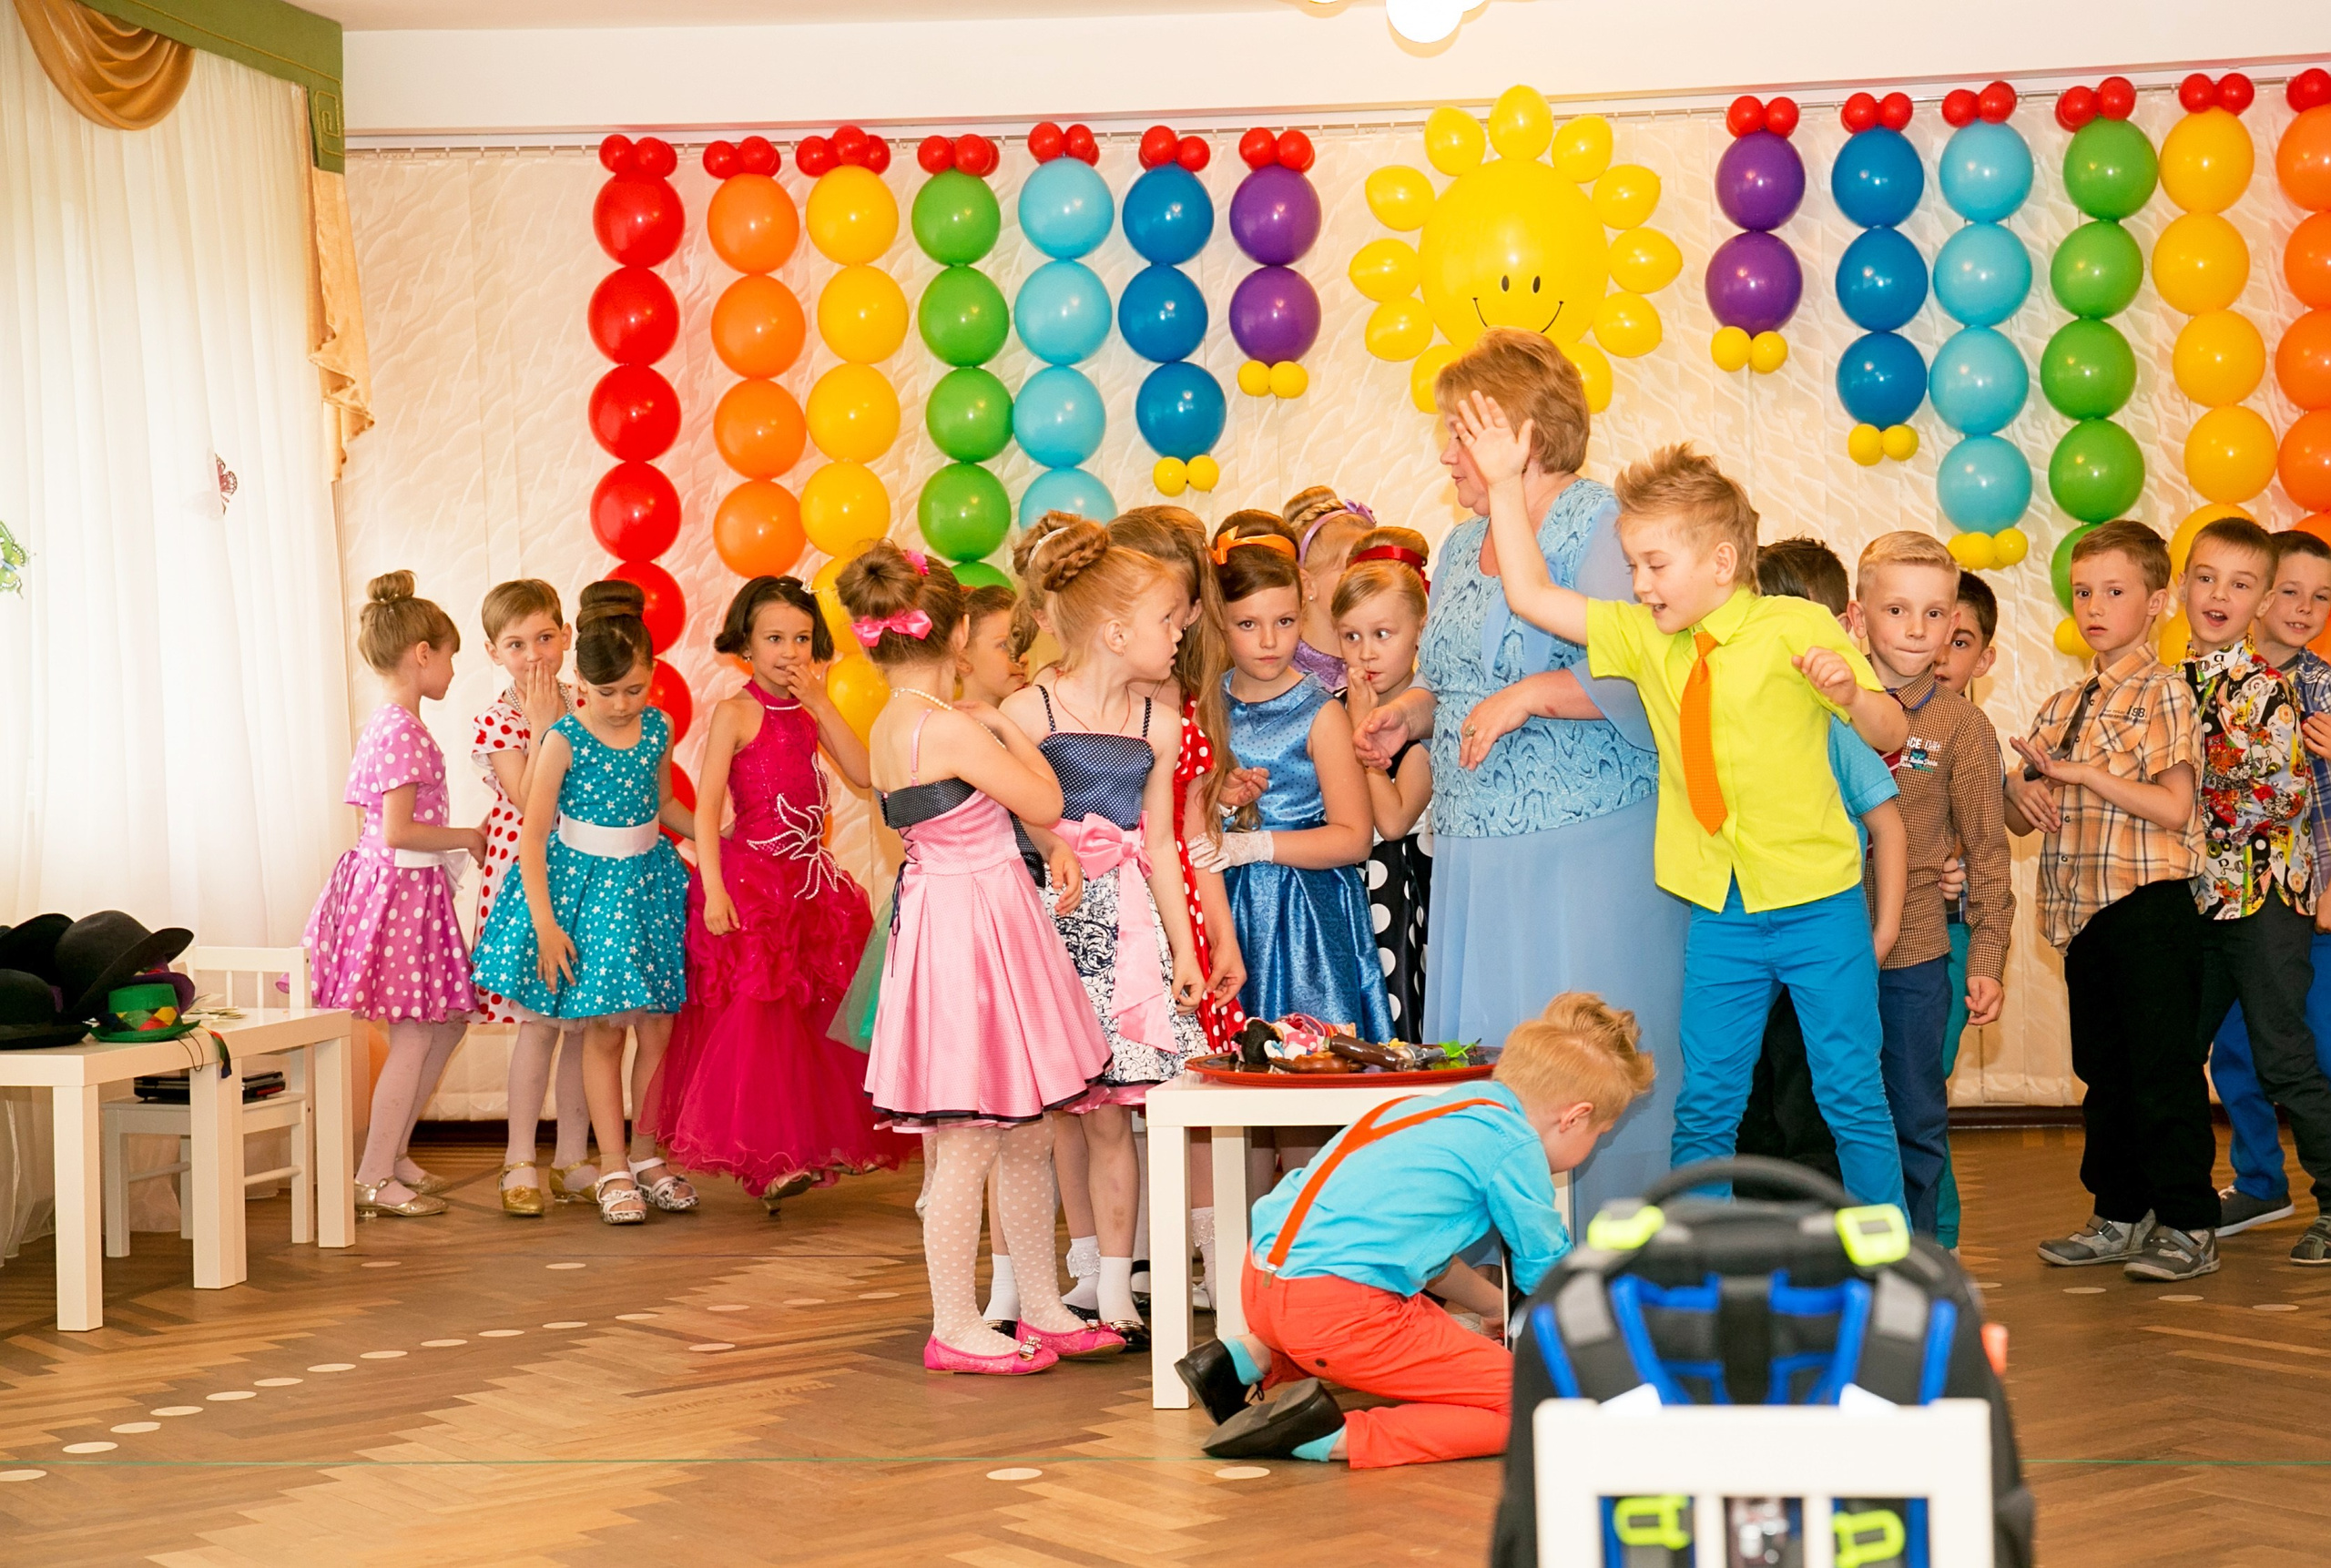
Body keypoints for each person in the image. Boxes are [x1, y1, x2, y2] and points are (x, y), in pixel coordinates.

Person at [1453, 399, 1910, 1208]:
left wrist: (1849, 691)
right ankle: (1700, 1265)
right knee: (1706, 1106)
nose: (1639, 583)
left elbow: (1889, 724)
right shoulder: (1643, 636)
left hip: (1817, 902)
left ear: (1722, 560)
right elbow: (1529, 593)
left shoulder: (1792, 625)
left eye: (1656, 564)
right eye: (1633, 564)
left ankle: (1890, 1265)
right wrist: (1498, 482)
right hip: (1721, 909)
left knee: (1851, 1096)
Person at [1351, 329, 1685, 1220]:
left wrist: (1535, 694)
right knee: (1492, 1068)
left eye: (1459, 434)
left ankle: (1617, 1271)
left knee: (1582, 1070)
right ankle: (1507, 1279)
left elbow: (1644, 678)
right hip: (1474, 854)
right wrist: (1409, 715)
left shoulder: (1606, 526)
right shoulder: (1461, 546)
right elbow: (1460, 680)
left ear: (1520, 437)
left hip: (1585, 850)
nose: (1444, 456)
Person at [838, 540, 1123, 1375]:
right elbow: (1046, 798)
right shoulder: (950, 726)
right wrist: (1002, 722)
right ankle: (954, 1322)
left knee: (1025, 1132)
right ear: (956, 635)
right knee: (969, 1137)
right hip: (972, 935)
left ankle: (1038, 1304)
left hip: (965, 921)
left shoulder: (891, 723)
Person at [1177, 992, 1654, 1467]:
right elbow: (1550, 1275)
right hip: (1334, 1310)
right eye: (1600, 1134)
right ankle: (1327, 1436)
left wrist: (1493, 1307)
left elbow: (1422, 1259)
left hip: (1265, 1287)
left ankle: (1243, 1359)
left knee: (1370, 1322)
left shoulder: (1436, 1109)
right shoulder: (1514, 1145)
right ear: (1576, 1118)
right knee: (1534, 1402)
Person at [1003, 514, 1206, 1348]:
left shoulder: (1160, 722)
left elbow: (1160, 844)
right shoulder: (1028, 708)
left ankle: (1119, 1287)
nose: (1179, 633)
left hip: (1127, 935)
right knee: (1045, 1117)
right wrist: (1052, 844)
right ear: (1117, 631)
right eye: (1167, 620)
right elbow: (1008, 823)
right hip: (1049, 930)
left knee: (1120, 1115)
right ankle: (1051, 1274)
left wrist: (1185, 955)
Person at [660, 575, 915, 1214]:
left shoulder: (808, 710)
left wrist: (825, 704)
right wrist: (713, 889)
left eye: (801, 639)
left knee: (813, 1022)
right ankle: (764, 1165)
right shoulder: (734, 712)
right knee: (758, 1025)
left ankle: (809, 1147)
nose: (789, 651)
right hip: (751, 885)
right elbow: (709, 805)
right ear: (746, 642)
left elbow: (862, 775)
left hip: (811, 885)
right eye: (774, 638)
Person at [2005, 521, 2210, 1279]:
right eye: (2083, 592)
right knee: (2105, 1073)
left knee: (2163, 1071)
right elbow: (2015, 806)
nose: (2094, 606)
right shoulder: (2061, 704)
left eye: (2114, 592)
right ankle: (2120, 1212)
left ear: (2157, 602)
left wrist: (2085, 776)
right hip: (2083, 915)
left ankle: (2189, 1222)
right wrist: (2023, 790)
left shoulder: (2165, 692)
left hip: (2148, 906)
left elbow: (2175, 808)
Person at [470, 582, 695, 1227]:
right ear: (583, 684)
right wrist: (544, 923)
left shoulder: (660, 725)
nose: (624, 705)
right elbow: (533, 835)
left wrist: (721, 835)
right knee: (601, 1031)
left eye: (636, 689)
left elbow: (665, 804)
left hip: (649, 887)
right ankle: (612, 1165)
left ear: (653, 677)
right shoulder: (564, 736)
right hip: (588, 894)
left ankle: (646, 1157)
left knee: (658, 1027)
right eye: (608, 692)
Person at [1846, 532, 2015, 1236]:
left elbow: (1987, 850)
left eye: (1935, 614)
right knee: (1835, 1113)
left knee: (1914, 1111)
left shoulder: (1961, 726)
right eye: (1897, 611)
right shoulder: (1824, 703)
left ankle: (1923, 1261)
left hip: (1916, 948)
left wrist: (1986, 960)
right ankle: (1844, 1266)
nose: (1917, 630)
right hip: (1820, 944)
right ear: (1858, 616)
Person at [2174, 516, 2331, 1267]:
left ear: (2259, 601)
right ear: (2181, 587)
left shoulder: (2266, 687)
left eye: (2240, 585)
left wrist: (2180, 792)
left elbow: (2285, 797)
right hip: (2198, 896)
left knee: (2284, 1056)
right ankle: (2170, 1207)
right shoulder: (2172, 681)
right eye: (2206, 578)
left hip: (2264, 896)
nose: (2219, 595)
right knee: (2174, 1053)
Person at [304, 571, 486, 1218]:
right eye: (451, 655)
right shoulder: (402, 731)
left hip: (410, 890)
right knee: (415, 1032)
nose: (453, 669)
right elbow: (400, 828)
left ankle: (394, 1152)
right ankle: (375, 1172)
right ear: (422, 654)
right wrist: (467, 834)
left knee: (446, 1022)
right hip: (401, 893)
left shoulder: (392, 724)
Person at [1110, 505, 1253, 1312]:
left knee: (1191, 1093)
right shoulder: (1070, 699)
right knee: (1101, 1108)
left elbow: (1195, 835)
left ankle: (1210, 1265)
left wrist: (1221, 935)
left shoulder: (1191, 706)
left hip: (1179, 921)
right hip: (1103, 917)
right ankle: (1118, 1262)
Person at [1729, 538, 1906, 1195]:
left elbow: (1887, 823)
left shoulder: (1832, 725)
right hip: (1744, 940)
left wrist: (1881, 933)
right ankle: (1756, 1238)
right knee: (1748, 1095)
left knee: (1817, 1095)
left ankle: (1829, 1243)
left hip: (1817, 937)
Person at [1198, 533, 1394, 1045]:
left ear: (1303, 618)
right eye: (1248, 624)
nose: (1269, 641)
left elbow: (1354, 838)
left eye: (1284, 622)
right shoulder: (1203, 709)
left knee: (1310, 1060)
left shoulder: (1320, 713)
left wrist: (1256, 846)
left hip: (1306, 915)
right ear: (1220, 622)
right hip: (1227, 911)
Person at [471, 578, 597, 1217]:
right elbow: (531, 803)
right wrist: (549, 730)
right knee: (541, 1026)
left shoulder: (591, 703)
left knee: (584, 1026)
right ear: (494, 651)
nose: (534, 654)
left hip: (589, 882)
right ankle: (519, 1157)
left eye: (545, 637)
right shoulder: (500, 719)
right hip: (530, 889)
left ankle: (574, 1156)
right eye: (516, 644)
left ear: (566, 636)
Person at [1335, 524, 1435, 1041]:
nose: (1366, 653)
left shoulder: (1421, 722)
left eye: (1382, 634)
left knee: (1395, 1026)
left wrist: (1364, 735)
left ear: (1420, 628)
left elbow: (1395, 821)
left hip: (1396, 899)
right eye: (1351, 636)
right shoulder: (1335, 705)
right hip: (1344, 895)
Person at [1929, 569, 2001, 1248]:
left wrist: (1985, 958)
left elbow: (1988, 854)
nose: (1939, 653)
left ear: (1984, 657)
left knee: (1920, 1095)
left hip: (1943, 945)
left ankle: (1939, 1241)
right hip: (1858, 939)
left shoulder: (1973, 736)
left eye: (1960, 640)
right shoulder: (1872, 719)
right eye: (1929, 632)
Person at [1285, 484, 1371, 695]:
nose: (1369, 581)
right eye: (1352, 569)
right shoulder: (1286, 677)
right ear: (1307, 585)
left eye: (1375, 567)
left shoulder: (1379, 660)